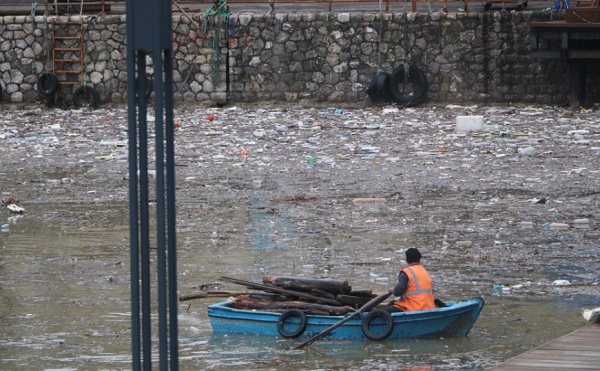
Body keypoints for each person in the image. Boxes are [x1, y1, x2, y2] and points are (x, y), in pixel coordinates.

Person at [385, 247, 436, 313]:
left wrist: (393, 290)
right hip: (429, 307)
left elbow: (398, 292)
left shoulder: (406, 272)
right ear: (419, 259)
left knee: (381, 313)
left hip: (413, 308)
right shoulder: (424, 271)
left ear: (407, 259)